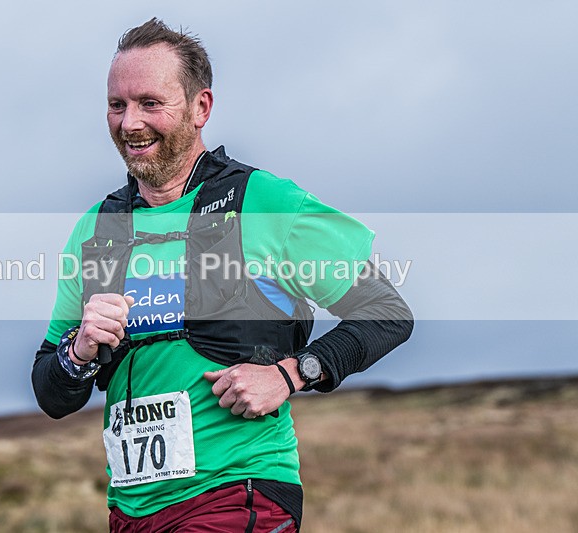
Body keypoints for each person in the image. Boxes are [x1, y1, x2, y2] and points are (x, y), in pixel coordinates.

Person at [32, 18, 413, 533]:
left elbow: (386, 313)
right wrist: (78, 353)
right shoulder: (97, 229)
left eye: (150, 103)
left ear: (200, 107)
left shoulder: (264, 203)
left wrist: (291, 373)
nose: (129, 123)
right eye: (117, 105)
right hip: (131, 512)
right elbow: (52, 394)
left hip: (239, 491)